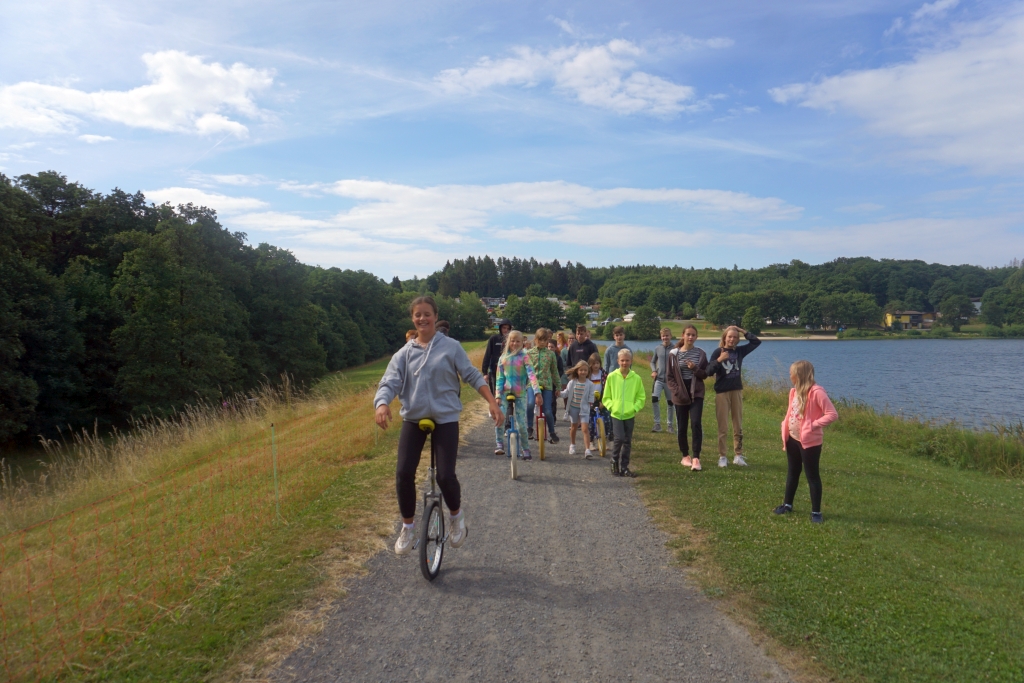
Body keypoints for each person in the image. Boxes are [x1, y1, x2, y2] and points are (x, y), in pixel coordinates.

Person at [375, 296, 503, 556]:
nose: (422, 319)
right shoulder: (404, 353)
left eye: (427, 314)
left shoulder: (451, 347)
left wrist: (491, 401)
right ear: (413, 318)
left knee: (445, 475)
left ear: (435, 316)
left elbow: (471, 374)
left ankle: (456, 516)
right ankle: (408, 526)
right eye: (417, 315)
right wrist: (382, 404)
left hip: (445, 418)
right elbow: (390, 381)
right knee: (403, 474)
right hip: (414, 417)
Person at [775, 360, 838, 523]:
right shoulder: (793, 392)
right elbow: (791, 413)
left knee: (812, 475)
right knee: (793, 472)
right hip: (792, 439)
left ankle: (816, 512)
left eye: (791, 373)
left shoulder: (817, 392)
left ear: (799, 375)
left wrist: (813, 425)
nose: (790, 376)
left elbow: (832, 414)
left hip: (810, 442)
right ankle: (787, 504)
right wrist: (785, 426)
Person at [705, 326, 761, 468]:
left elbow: (756, 342)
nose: (732, 339)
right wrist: (719, 360)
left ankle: (738, 455)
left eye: (735, 337)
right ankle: (722, 456)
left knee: (738, 424)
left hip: (736, 391)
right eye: (729, 336)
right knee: (723, 426)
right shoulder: (718, 352)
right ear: (724, 338)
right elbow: (708, 372)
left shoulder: (740, 351)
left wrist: (743, 331)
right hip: (722, 393)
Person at [494, 330, 543, 459]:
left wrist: (537, 392)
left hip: (520, 393)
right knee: (500, 416)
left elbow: (531, 374)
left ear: (522, 342)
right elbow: (499, 378)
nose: (515, 343)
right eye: (512, 340)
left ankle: (525, 448)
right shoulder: (503, 358)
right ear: (508, 342)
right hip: (505, 392)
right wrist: (498, 395)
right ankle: (499, 443)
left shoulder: (525, 356)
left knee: (521, 422)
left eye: (518, 341)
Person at [666, 325, 708, 471]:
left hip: (696, 393)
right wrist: (677, 391)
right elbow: (669, 377)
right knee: (682, 426)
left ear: (696, 337)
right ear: (683, 335)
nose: (690, 337)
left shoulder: (701, 354)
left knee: (696, 423)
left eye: (693, 335)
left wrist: (694, 368)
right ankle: (685, 455)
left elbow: (704, 374)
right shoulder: (674, 354)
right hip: (680, 395)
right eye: (688, 334)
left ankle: (696, 457)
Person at [602, 348, 646, 478]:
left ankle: (625, 467)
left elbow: (641, 397)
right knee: (619, 438)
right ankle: (614, 460)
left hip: (629, 414)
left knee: (627, 441)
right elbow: (606, 397)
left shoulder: (636, 378)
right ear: (618, 361)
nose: (624, 363)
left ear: (631, 361)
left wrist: (634, 408)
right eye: (622, 360)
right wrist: (612, 407)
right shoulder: (612, 376)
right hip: (616, 414)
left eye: (627, 360)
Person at [526, 328, 561, 444]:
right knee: (530, 403)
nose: (542, 342)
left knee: (547, 410)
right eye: (540, 339)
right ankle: (530, 427)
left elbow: (554, 371)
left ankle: (552, 432)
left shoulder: (551, 354)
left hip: (547, 385)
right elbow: (526, 371)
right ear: (535, 339)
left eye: (545, 340)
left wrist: (558, 386)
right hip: (532, 384)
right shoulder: (529, 353)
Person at [563, 361, 598, 458]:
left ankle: (587, 450)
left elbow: (591, 395)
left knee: (585, 429)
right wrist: (559, 394)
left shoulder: (590, 384)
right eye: (581, 370)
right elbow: (566, 393)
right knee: (573, 427)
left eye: (585, 370)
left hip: (584, 409)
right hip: (574, 408)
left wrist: (591, 402)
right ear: (577, 371)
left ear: (588, 371)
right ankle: (572, 445)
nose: (583, 372)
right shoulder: (572, 382)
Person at [648, 327, 675, 434]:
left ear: (670, 336)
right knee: (654, 399)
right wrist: (654, 371)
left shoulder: (675, 348)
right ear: (661, 337)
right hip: (658, 379)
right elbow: (652, 362)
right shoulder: (657, 348)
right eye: (663, 336)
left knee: (670, 403)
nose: (665, 338)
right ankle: (657, 424)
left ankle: (670, 425)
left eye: (667, 335)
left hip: (670, 380)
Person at [482, 318, 511, 395]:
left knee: (508, 395)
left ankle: (509, 407)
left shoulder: (512, 340)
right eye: (504, 328)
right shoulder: (494, 339)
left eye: (508, 328)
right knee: (496, 394)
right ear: (500, 328)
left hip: (509, 372)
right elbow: (488, 355)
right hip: (494, 371)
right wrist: (485, 373)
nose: (506, 330)